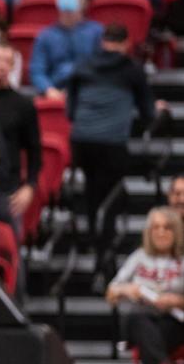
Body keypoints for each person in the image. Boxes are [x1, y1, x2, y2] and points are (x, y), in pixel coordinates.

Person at [68, 23, 160, 250]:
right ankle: (105, 242)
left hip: (81, 141)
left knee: (92, 187)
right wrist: (157, 110)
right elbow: (147, 112)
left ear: (103, 42)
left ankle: (92, 233)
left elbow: (70, 109)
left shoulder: (83, 65)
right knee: (112, 193)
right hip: (111, 144)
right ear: (127, 43)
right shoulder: (132, 69)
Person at [107, 207, 184, 364]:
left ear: (176, 231)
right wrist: (128, 289)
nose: (161, 232)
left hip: (176, 323)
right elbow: (111, 293)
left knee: (151, 337)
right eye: (156, 228)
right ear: (148, 232)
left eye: (167, 228)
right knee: (138, 319)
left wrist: (175, 300)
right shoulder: (139, 257)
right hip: (143, 320)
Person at [0, 43, 41, 236]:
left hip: (8, 192)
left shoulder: (23, 105)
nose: (1, 66)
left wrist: (30, 186)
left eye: (7, 62)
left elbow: (35, 150)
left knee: (11, 251)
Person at [28, 0, 103, 99]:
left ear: (83, 2)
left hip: (89, 93)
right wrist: (49, 90)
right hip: (55, 92)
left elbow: (104, 66)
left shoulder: (96, 32)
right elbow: (37, 71)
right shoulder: (46, 35)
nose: (69, 0)